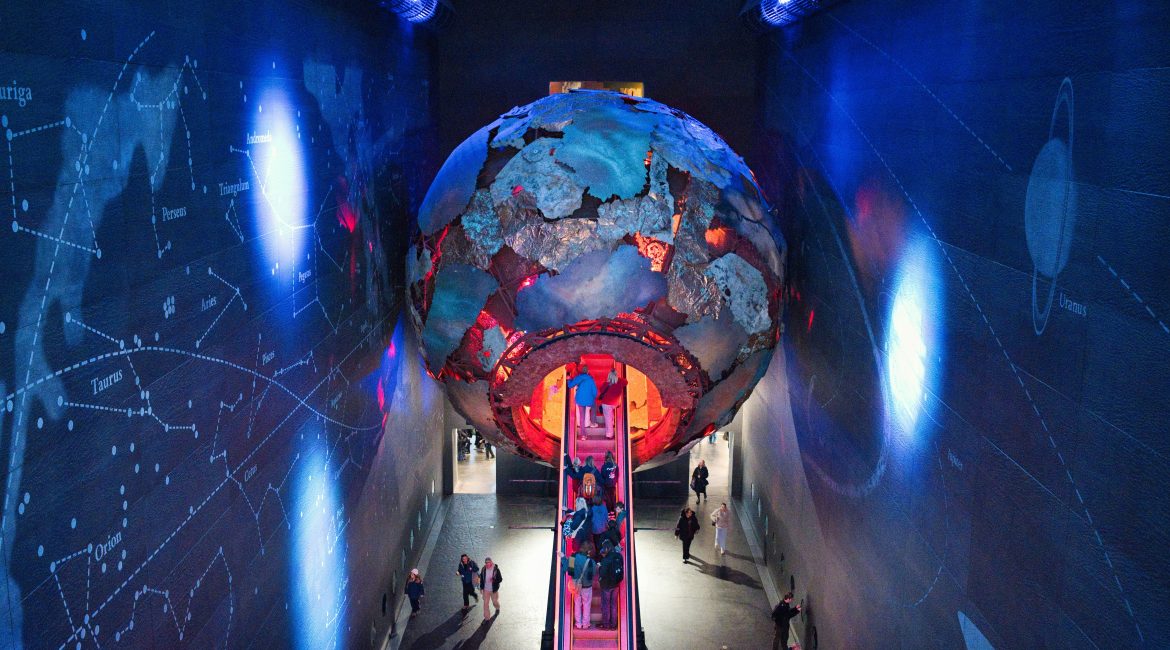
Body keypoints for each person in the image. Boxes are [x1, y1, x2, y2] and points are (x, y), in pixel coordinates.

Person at [564, 540, 597, 630]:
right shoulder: (591, 562)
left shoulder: (573, 557)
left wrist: (563, 558)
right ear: (589, 551)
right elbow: (594, 573)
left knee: (577, 604)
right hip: (587, 587)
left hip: (576, 586)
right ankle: (586, 624)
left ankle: (578, 623)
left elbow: (567, 569)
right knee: (586, 604)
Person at [598, 541, 624, 630]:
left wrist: (600, 567)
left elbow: (602, 573)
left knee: (606, 605)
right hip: (616, 584)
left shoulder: (605, 560)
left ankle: (606, 625)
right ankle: (613, 625)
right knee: (613, 605)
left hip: (606, 586)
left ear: (607, 549)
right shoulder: (619, 556)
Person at [567, 364, 599, 436]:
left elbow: (570, 385)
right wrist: (592, 397)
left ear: (582, 371)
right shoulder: (591, 379)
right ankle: (593, 422)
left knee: (582, 417)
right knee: (594, 405)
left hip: (580, 400)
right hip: (589, 401)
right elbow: (595, 392)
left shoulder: (578, 377)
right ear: (588, 371)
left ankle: (583, 435)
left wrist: (569, 379)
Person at [597, 370, 627, 439]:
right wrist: (618, 378)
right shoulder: (620, 382)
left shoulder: (606, 384)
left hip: (606, 403)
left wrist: (607, 381)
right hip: (615, 403)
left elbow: (601, 390)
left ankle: (609, 434)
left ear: (609, 376)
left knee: (608, 418)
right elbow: (626, 382)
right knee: (610, 413)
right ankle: (612, 422)